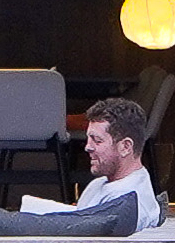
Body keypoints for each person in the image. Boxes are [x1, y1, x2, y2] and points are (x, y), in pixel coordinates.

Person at [69, 94, 163, 227]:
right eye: (88, 139)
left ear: (125, 147)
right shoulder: (98, 184)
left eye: (97, 140)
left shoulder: (129, 202)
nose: (87, 147)